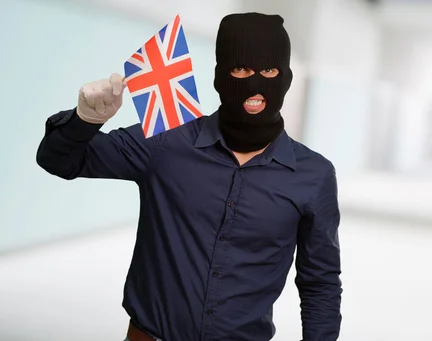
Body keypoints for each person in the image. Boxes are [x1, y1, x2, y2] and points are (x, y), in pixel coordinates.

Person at [35, 12, 342, 341]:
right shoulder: (165, 142)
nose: (255, 83)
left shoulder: (313, 175)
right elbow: (59, 160)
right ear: (221, 76)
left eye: (268, 70)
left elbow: (320, 284)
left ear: (285, 77)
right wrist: (84, 120)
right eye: (241, 69)